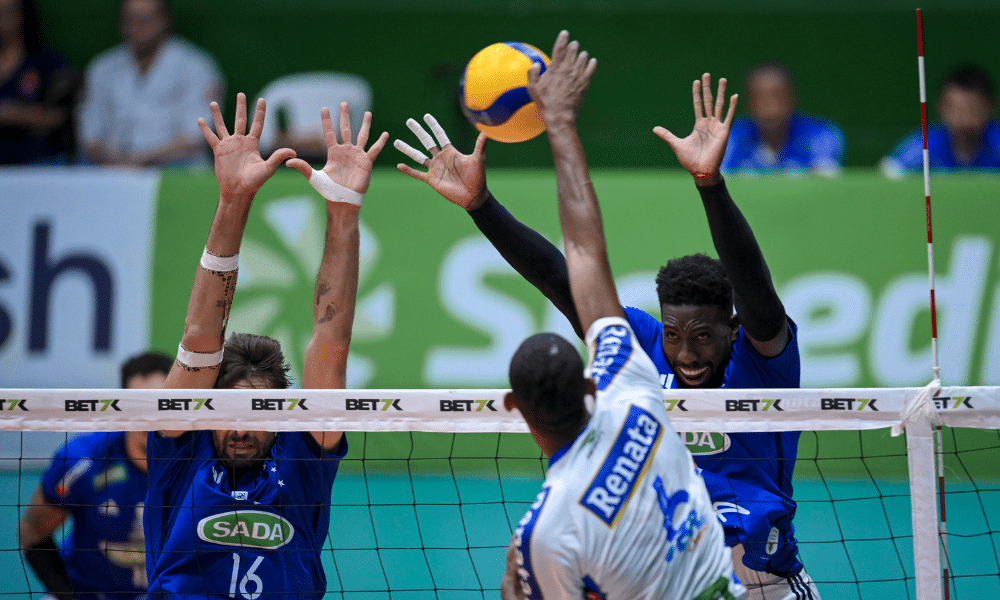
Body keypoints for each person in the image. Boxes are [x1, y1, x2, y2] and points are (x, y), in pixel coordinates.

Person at [396, 54, 819, 600]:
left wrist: (710, 184)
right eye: (675, 335)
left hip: (767, 586)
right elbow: (560, 274)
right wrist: (481, 206)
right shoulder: (642, 353)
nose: (686, 355)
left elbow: (754, 288)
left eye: (703, 337)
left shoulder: (762, 365)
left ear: (732, 331)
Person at [144, 92, 387, 598]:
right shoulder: (180, 455)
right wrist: (232, 201)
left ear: (282, 417)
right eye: (230, 411)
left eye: (258, 412)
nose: (240, 427)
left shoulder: (300, 464)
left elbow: (331, 344)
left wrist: (344, 211)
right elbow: (199, 337)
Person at [18, 350, 173, 600]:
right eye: (137, 405)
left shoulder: (197, 461)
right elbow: (32, 532)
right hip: (87, 593)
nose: (147, 418)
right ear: (122, 408)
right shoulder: (82, 460)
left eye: (156, 404)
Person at [76, 0, 222, 167]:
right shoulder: (102, 68)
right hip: (111, 167)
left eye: (146, 18)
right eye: (131, 19)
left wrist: (142, 161)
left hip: (176, 167)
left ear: (165, 20)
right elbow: (90, 135)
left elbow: (196, 136)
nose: (138, 26)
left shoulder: (196, 66)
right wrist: (119, 163)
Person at [721, 62, 844, 177]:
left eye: (777, 96)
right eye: (759, 97)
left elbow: (825, 178)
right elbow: (718, 177)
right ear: (748, 102)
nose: (769, 107)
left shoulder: (821, 135)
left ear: (792, 97)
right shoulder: (730, 137)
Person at [880, 64, 1000, 178]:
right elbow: (890, 170)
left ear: (991, 107)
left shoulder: (996, 139)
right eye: (955, 110)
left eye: (972, 110)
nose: (963, 119)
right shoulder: (928, 142)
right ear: (940, 107)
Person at [0, 0, 78, 164]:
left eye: (8, 12)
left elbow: (61, 116)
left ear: (22, 14)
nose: (3, 19)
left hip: (39, 163)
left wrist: (14, 113)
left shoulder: (45, 61)